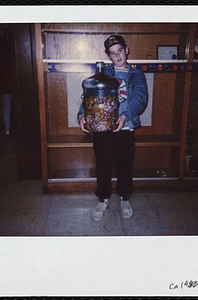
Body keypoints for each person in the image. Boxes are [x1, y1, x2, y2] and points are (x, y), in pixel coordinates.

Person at [78, 35, 148, 221]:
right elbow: (87, 97)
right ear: (108, 56)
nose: (117, 56)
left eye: (120, 51)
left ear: (126, 50)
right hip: (102, 128)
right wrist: (81, 114)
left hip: (126, 128)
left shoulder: (136, 74)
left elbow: (140, 99)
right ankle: (103, 199)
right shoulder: (103, 76)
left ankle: (125, 198)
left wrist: (124, 117)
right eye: (112, 53)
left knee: (125, 165)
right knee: (103, 164)